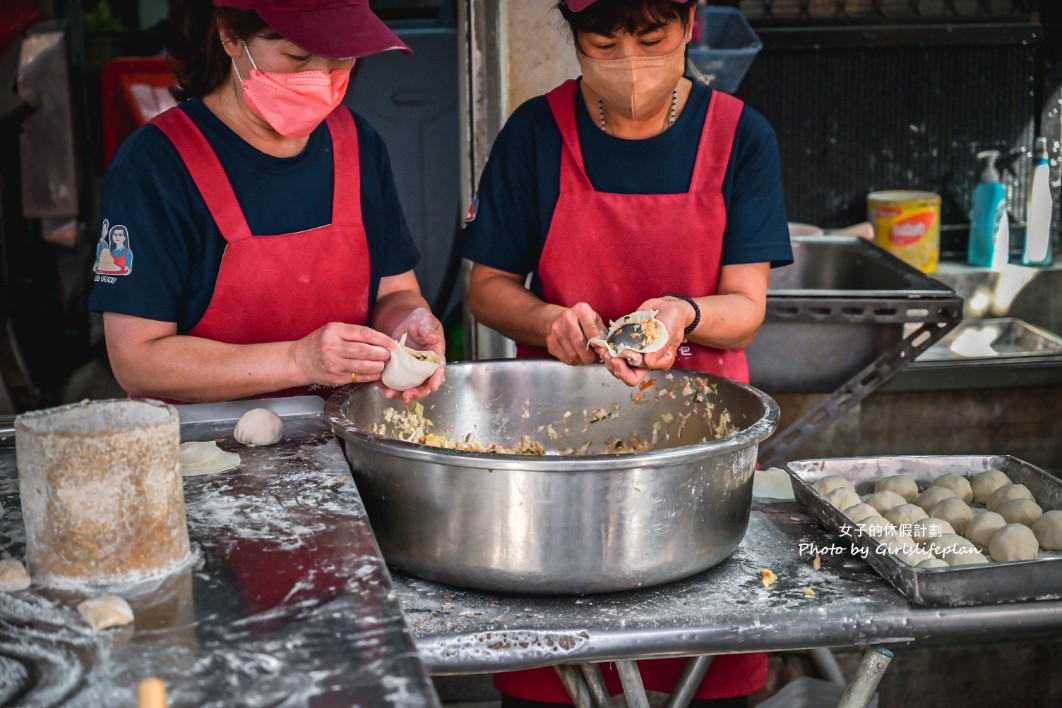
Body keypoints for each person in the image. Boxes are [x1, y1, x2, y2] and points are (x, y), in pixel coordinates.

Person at [459, 0, 792, 705]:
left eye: (651, 37)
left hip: (697, 461)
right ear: (574, 37)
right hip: (556, 464)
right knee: (557, 669)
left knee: (703, 665)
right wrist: (549, 319)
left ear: (690, 22)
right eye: (604, 42)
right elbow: (486, 290)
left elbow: (746, 310)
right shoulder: (535, 135)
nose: (630, 61)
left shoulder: (741, 138)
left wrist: (685, 314)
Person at [90, 0, 445, 404]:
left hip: (345, 439)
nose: (322, 76)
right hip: (204, 451)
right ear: (229, 36)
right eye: (297, 56)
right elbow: (136, 361)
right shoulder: (156, 165)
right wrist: (297, 360)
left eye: (342, 58)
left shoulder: (358, 144)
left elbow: (394, 293)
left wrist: (410, 324)